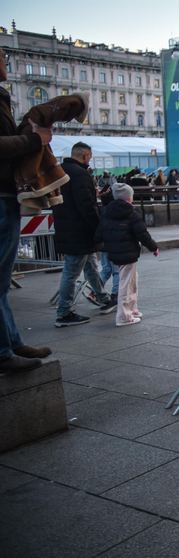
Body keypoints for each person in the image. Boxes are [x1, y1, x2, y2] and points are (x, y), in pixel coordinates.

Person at [0, 50, 54, 371]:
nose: (7, 63)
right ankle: (4, 353)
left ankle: (12, 342)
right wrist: (34, 140)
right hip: (0, 195)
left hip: (6, 194)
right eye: (2, 58)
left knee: (2, 281)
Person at [53, 142, 115, 326]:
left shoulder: (59, 171)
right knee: (72, 271)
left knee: (90, 265)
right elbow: (87, 207)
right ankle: (63, 313)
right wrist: (99, 228)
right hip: (79, 230)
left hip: (65, 225)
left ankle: (103, 298)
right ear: (86, 155)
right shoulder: (81, 175)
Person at [95, 183, 159, 327]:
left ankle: (133, 309)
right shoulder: (132, 213)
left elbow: (99, 234)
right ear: (130, 197)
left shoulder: (107, 212)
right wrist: (153, 247)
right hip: (128, 252)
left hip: (113, 252)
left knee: (131, 280)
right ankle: (124, 316)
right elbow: (143, 234)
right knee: (126, 283)